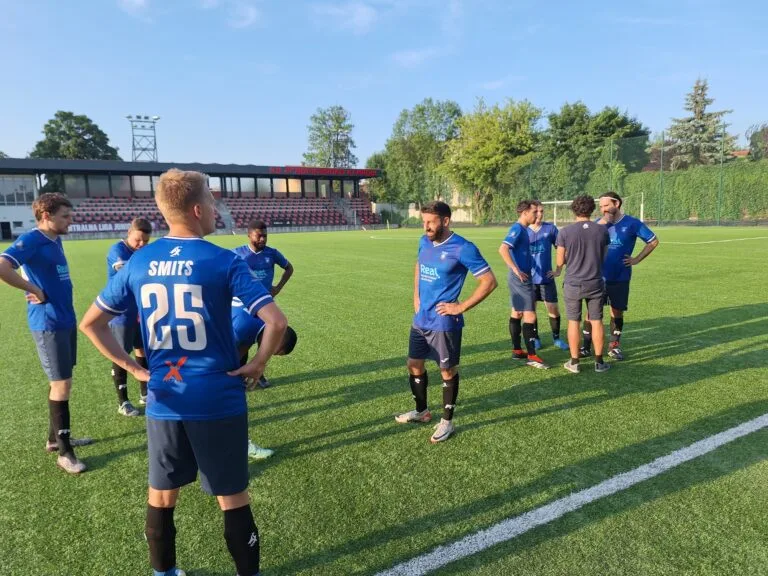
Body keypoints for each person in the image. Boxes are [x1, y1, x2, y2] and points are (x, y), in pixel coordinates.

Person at [79, 169, 287, 576]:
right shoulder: (224, 259)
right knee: (232, 496)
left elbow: (91, 323)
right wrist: (258, 364)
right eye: (210, 200)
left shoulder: (139, 260)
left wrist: (131, 367)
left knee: (161, 495)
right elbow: (276, 323)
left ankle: (164, 572)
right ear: (196, 209)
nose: (214, 208)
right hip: (216, 397)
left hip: (164, 398)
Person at [0, 193, 92, 474]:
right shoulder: (31, 239)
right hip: (48, 322)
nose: (70, 221)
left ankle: (55, 438)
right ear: (46, 216)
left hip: (64, 319)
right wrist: (34, 290)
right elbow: (3, 266)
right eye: (65, 216)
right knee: (61, 384)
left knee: (61, 382)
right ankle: (65, 453)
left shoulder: (55, 239)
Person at [396, 201, 497, 443]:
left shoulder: (463, 248)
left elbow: (489, 281)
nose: (426, 226)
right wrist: (416, 296)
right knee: (414, 364)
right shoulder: (424, 241)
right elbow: (419, 265)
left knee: (446, 370)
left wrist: (461, 306)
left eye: (431, 222)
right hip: (421, 318)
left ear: (446, 221)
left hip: (444, 322)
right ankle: (421, 411)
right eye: (424, 221)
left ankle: (447, 422)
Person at [581, 191, 659, 360]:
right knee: (591, 312)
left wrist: (636, 259)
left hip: (620, 276)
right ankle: (585, 346)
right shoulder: (599, 224)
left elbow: (653, 241)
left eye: (606, 205)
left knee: (617, 311)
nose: (603, 209)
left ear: (616, 204)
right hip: (598, 277)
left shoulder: (632, 223)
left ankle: (614, 346)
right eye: (601, 206)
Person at [232, 298, 298, 460]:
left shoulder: (262, 319)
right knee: (229, 399)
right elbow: (219, 356)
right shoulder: (241, 328)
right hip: (191, 351)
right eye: (274, 352)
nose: (268, 354)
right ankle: (238, 445)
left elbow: (246, 342)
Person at [232, 219, 294, 388]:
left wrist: (278, 288)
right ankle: (239, 373)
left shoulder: (272, 254)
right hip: (240, 305)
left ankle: (258, 372)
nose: (263, 240)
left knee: (265, 337)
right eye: (259, 236)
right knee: (242, 340)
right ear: (249, 235)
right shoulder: (237, 254)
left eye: (265, 236)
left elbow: (289, 268)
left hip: (264, 305)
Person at [555, 195, 611, 373]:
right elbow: (604, 257)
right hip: (595, 281)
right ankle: (599, 362)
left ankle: (574, 362)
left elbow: (560, 260)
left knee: (573, 321)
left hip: (573, 282)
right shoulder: (602, 231)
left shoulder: (565, 232)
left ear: (574, 210)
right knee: (597, 321)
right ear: (592, 210)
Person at [106, 217, 152, 417]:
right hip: (122, 313)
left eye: (145, 242)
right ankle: (123, 401)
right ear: (129, 233)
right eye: (138, 240)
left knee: (142, 351)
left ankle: (145, 393)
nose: (141, 245)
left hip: (140, 311)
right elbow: (129, 275)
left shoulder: (142, 252)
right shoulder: (117, 250)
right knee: (121, 355)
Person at [498, 200, 550, 369]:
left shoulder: (524, 230)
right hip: (522, 280)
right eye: (534, 212)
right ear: (525, 213)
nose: (537, 215)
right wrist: (515, 269)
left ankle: (517, 350)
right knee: (530, 316)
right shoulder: (518, 229)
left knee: (518, 312)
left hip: (519, 279)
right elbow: (503, 249)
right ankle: (532, 355)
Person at [527, 200, 568, 351]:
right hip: (528, 280)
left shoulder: (550, 229)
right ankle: (536, 338)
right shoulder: (523, 230)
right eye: (536, 211)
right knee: (531, 310)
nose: (539, 214)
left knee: (553, 309)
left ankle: (556, 338)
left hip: (546, 278)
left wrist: (558, 269)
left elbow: (561, 249)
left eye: (542, 211)